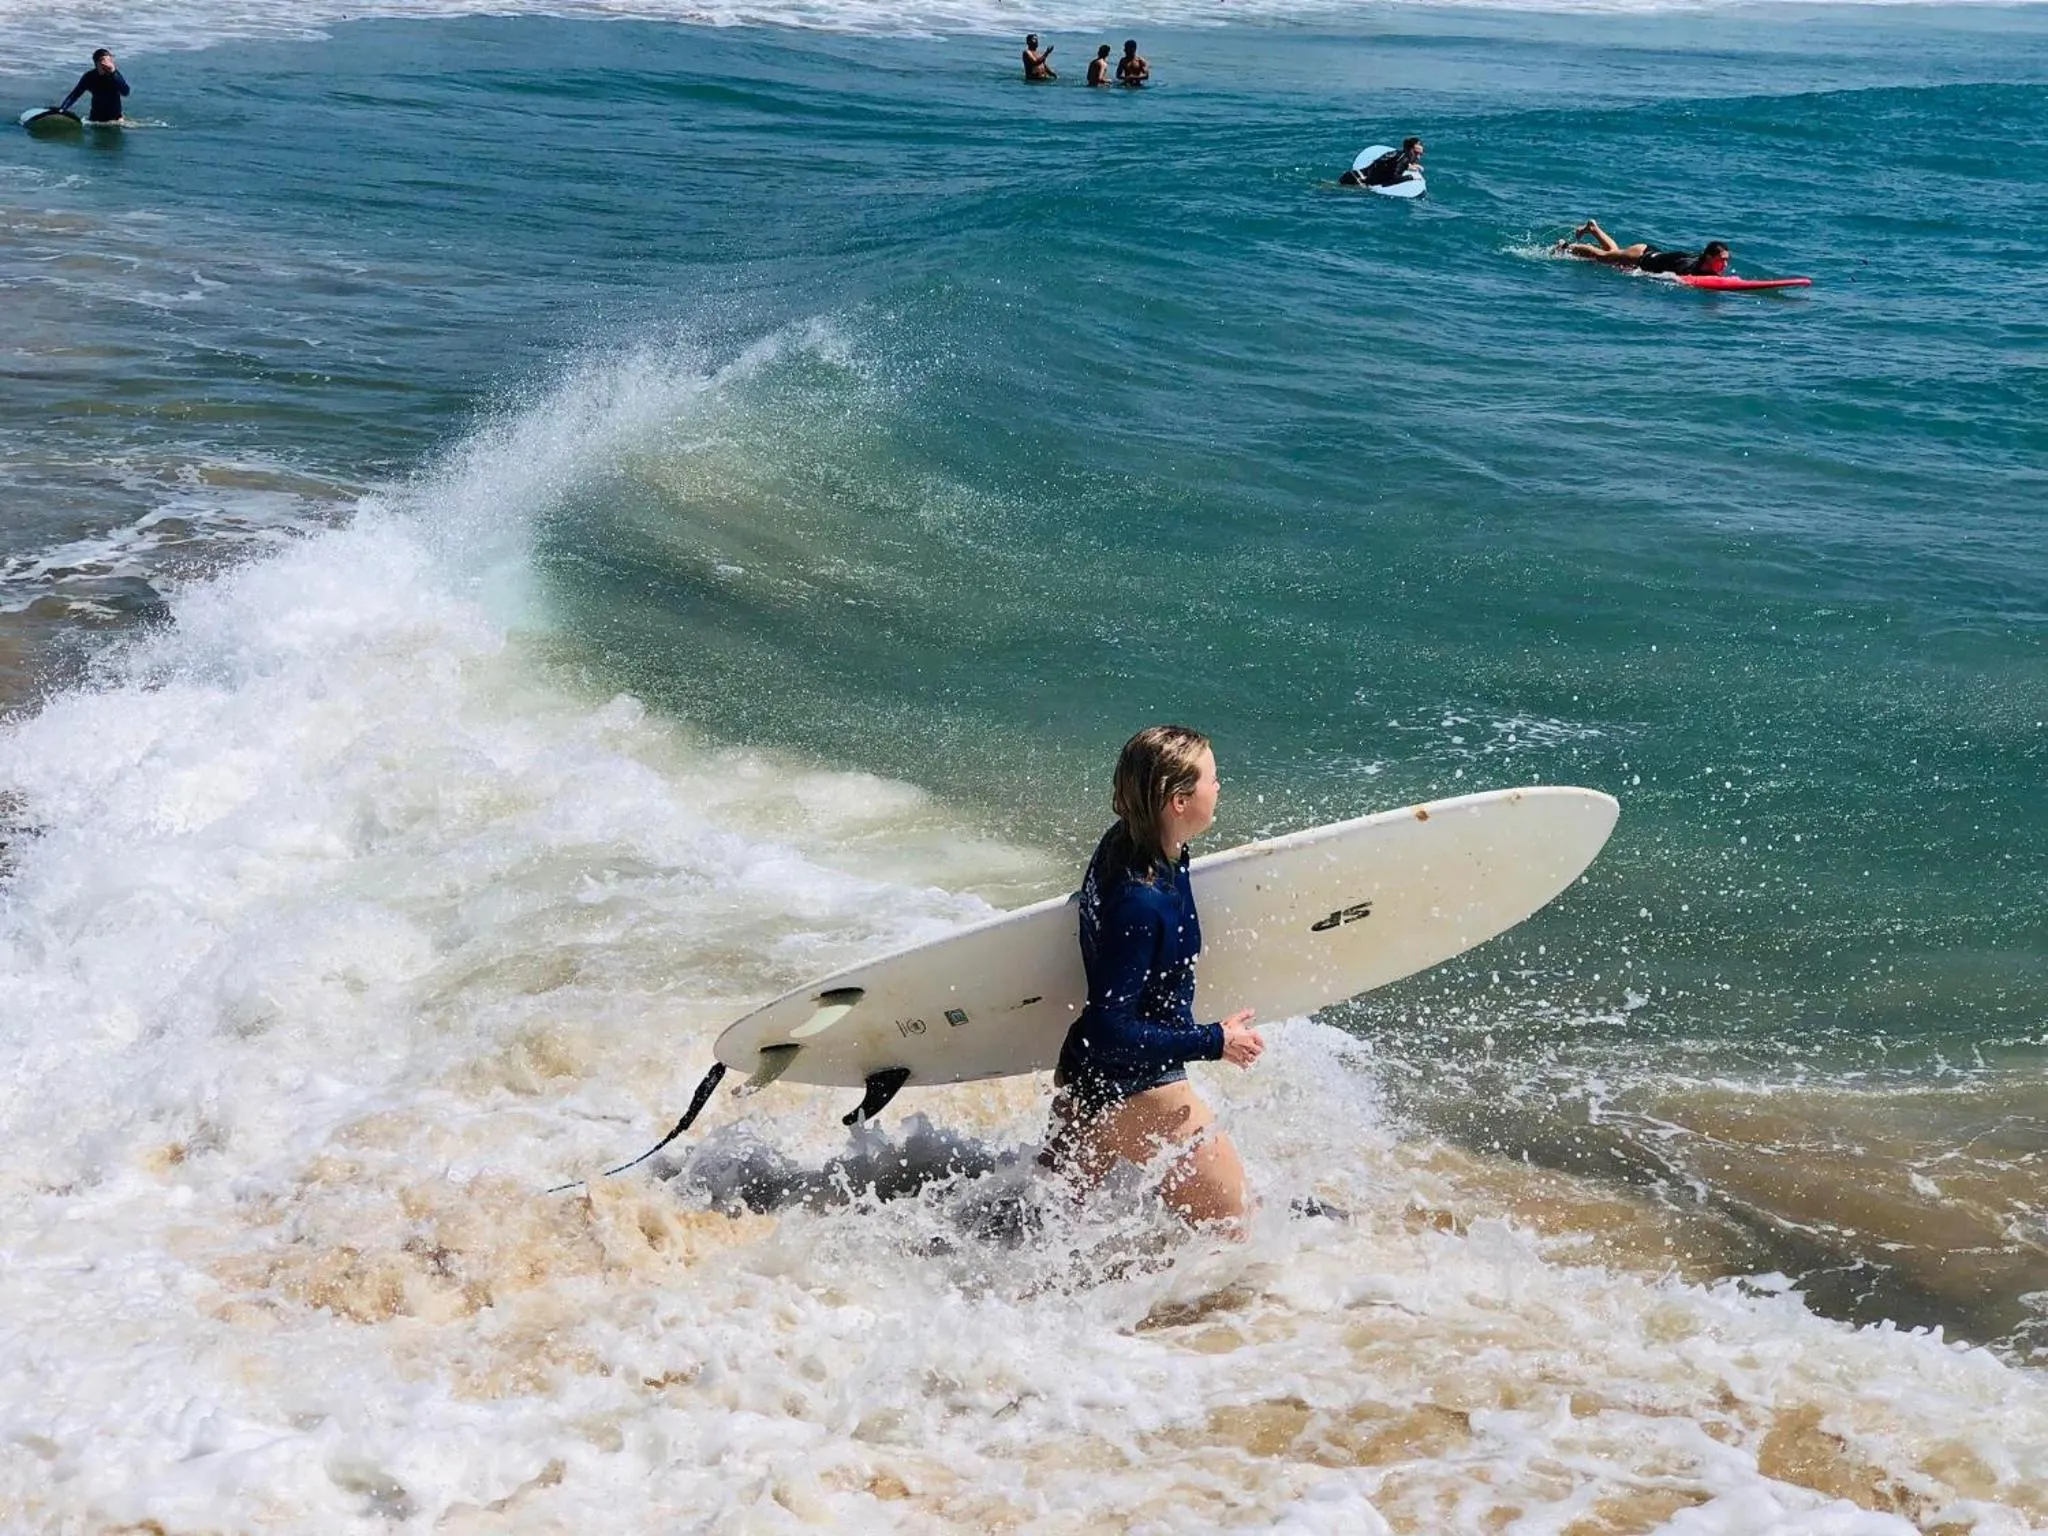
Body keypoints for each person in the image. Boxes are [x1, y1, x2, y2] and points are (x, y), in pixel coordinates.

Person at [1041, 725, 1264, 1231]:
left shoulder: (1129, 842)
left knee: (1038, 1239)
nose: (1220, 787)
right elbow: (1109, 1026)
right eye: (1212, 778)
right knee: (1240, 1237)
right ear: (1178, 801)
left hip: (1088, 1082)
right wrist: (1215, 1041)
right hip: (1139, 1089)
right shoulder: (1141, 900)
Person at [1559, 220, 1730, 277]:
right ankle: (1567, 246)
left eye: (1727, 260)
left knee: (1613, 253)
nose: (1725, 264)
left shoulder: (1702, 265)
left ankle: (1593, 229)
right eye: (1722, 260)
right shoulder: (1688, 267)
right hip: (1640, 256)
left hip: (1649, 251)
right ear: (1709, 257)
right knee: (1604, 257)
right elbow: (1669, 277)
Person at [57, 48, 130, 123]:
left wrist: (113, 73)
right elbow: (75, 94)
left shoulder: (115, 76)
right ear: (96, 63)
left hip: (115, 121)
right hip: (95, 120)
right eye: (103, 61)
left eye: (109, 61)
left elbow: (126, 92)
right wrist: (62, 109)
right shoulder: (90, 77)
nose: (107, 64)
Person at [1341, 137, 1423, 188]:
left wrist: (1408, 166)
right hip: (1357, 182)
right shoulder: (1402, 159)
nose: (1418, 157)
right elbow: (1391, 180)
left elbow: (1387, 166)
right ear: (1408, 149)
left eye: (1420, 154)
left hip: (1353, 176)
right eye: (1416, 153)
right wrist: (1411, 177)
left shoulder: (1396, 154)